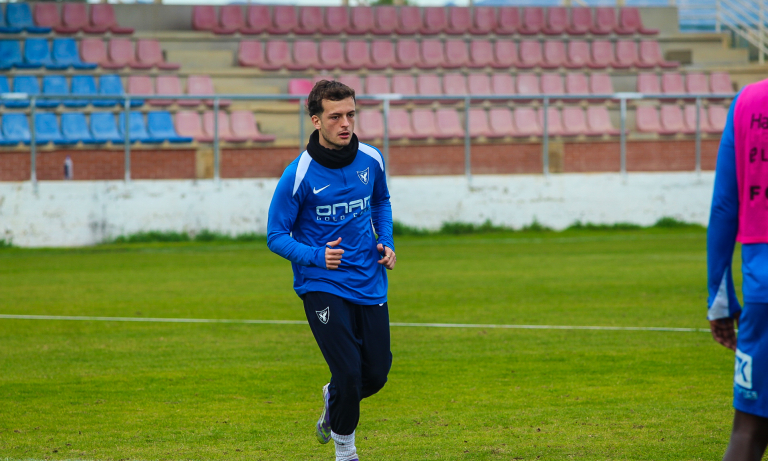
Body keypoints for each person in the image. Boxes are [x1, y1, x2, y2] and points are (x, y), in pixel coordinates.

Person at [267, 80, 396, 461]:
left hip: (369, 279)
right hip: (321, 283)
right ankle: (346, 452)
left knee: (374, 376)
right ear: (316, 119)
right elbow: (276, 235)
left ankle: (332, 396)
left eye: (351, 114)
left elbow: (381, 201)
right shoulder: (298, 174)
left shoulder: (371, 160)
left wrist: (385, 240)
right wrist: (316, 257)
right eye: (335, 116)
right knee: (350, 373)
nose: (345, 123)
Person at [707, 77, 768, 461]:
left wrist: (719, 299)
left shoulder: (748, 100)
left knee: (747, 432)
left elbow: (724, 208)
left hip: (764, 291)